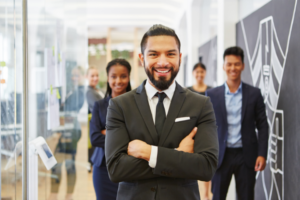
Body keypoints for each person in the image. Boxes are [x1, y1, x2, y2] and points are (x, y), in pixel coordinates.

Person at [105, 24, 219, 200]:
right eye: (154, 54)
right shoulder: (120, 106)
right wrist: (178, 154)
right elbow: (116, 169)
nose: (163, 62)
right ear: (142, 59)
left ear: (180, 58)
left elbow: (206, 167)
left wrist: (149, 153)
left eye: (171, 54)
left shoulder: (200, 104)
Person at [206, 46, 268, 200]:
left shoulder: (254, 93)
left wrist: (262, 154)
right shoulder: (212, 95)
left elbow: (262, 125)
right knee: (218, 196)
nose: (233, 68)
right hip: (221, 155)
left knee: (246, 196)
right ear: (223, 66)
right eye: (229, 64)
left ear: (243, 66)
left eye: (237, 64)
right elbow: (205, 126)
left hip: (246, 155)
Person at [90, 59, 132, 200]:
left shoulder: (137, 105)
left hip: (131, 167)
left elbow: (142, 135)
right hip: (103, 169)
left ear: (129, 77)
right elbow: (95, 138)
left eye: (123, 76)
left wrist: (108, 132)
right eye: (113, 76)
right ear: (108, 78)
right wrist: (124, 135)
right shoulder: (99, 106)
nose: (118, 81)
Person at [50, 66, 85, 200]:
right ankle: (57, 194)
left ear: (81, 77)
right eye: (72, 75)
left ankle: (67, 196)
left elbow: (68, 112)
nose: (74, 78)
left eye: (77, 75)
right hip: (66, 129)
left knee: (67, 163)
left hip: (72, 131)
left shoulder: (80, 92)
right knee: (60, 162)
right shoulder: (71, 90)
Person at [188, 62, 212, 200]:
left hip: (205, 130)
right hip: (190, 130)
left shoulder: (211, 91)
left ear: (205, 73)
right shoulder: (188, 91)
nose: (199, 75)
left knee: (205, 162)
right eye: (197, 72)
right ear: (193, 73)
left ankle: (206, 194)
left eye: (202, 72)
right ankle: (192, 191)